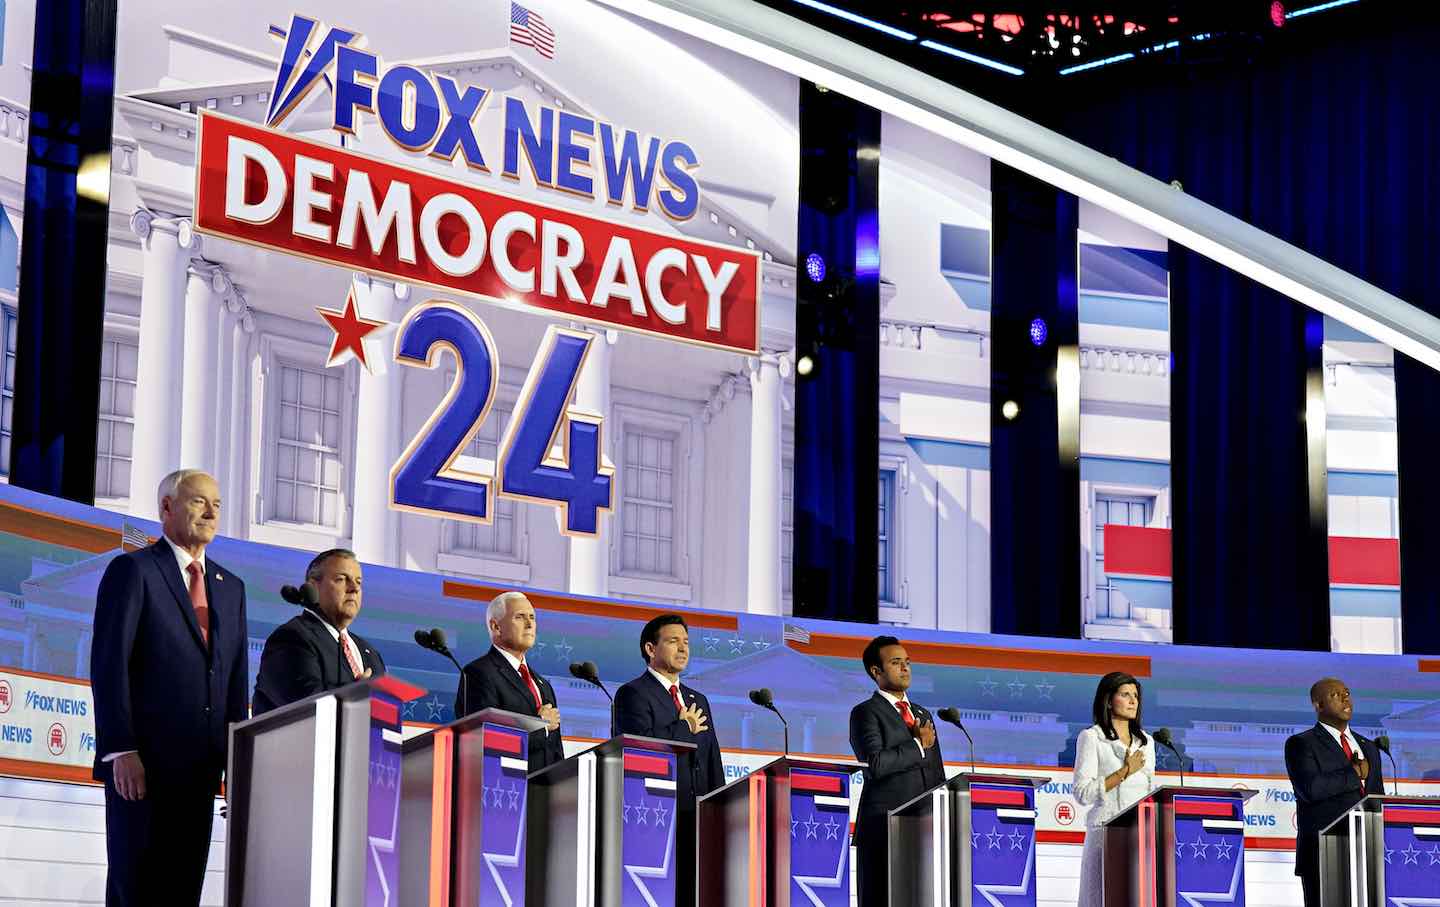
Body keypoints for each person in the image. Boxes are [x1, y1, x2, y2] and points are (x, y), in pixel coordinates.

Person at [89, 469, 250, 907]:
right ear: (166, 508)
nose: (211, 511)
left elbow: (235, 685)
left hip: (200, 773)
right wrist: (121, 749)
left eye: (216, 503)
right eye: (199, 501)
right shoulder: (134, 570)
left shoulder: (231, 588)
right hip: (142, 770)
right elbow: (109, 664)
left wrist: (238, 769)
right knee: (136, 889)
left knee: (183, 892)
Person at [614, 614, 726, 907]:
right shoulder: (632, 694)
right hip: (655, 817)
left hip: (698, 818)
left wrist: (720, 807)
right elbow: (640, 752)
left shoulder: (697, 699)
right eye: (673, 641)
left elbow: (712, 757)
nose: (683, 649)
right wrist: (684, 728)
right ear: (651, 649)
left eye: (686, 642)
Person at [848, 635, 945, 907]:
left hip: (925, 830)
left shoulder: (922, 713)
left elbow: (936, 772)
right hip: (884, 829)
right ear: (876, 671)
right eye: (896, 662)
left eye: (907, 662)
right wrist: (917, 745)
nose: (905, 668)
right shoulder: (865, 712)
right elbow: (875, 765)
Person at [1284, 677, 1384, 907]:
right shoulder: (1301, 744)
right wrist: (1354, 774)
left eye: (1347, 693)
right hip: (1324, 855)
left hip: (1369, 855)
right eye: (1335, 695)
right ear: (1318, 705)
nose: (1345, 698)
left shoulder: (1369, 747)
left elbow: (1377, 798)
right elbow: (1310, 789)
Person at [251, 548, 385, 715]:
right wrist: (355, 696)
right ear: (313, 587)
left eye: (358, 582)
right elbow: (307, 706)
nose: (354, 589)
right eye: (342, 579)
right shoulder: (292, 638)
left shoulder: (372, 655)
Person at [1073, 671, 1156, 907]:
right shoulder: (1092, 737)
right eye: (1125, 694)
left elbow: (1150, 792)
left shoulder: (1147, 743)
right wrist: (1124, 772)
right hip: (1105, 834)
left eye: (1136, 696)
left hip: (1140, 838)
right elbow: (1082, 792)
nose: (1133, 701)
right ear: (1109, 700)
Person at [456, 591, 563, 769]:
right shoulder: (478, 673)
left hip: (545, 791)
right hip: (504, 786)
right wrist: (541, 727)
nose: (529, 625)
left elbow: (556, 750)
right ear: (496, 626)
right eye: (520, 617)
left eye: (532, 617)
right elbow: (485, 740)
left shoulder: (544, 685)